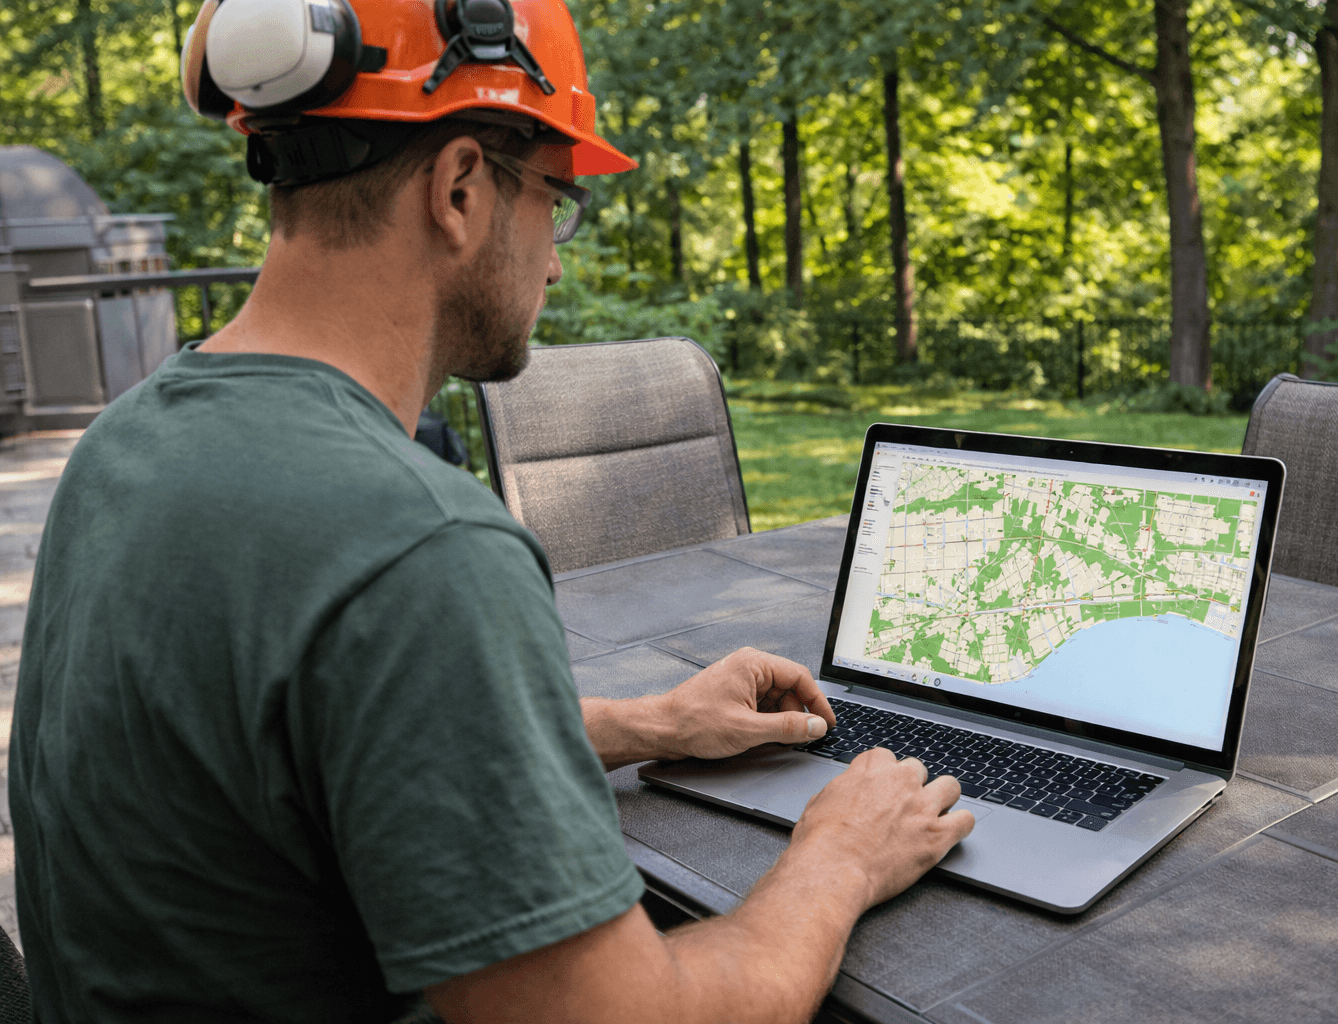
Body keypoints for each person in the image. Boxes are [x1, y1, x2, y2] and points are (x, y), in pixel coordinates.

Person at [8, 1, 974, 1021]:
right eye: (556, 200)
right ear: (461, 189)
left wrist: (651, 723)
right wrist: (841, 855)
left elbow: (314, 745)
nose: (554, 260)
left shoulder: (125, 445)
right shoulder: (419, 548)